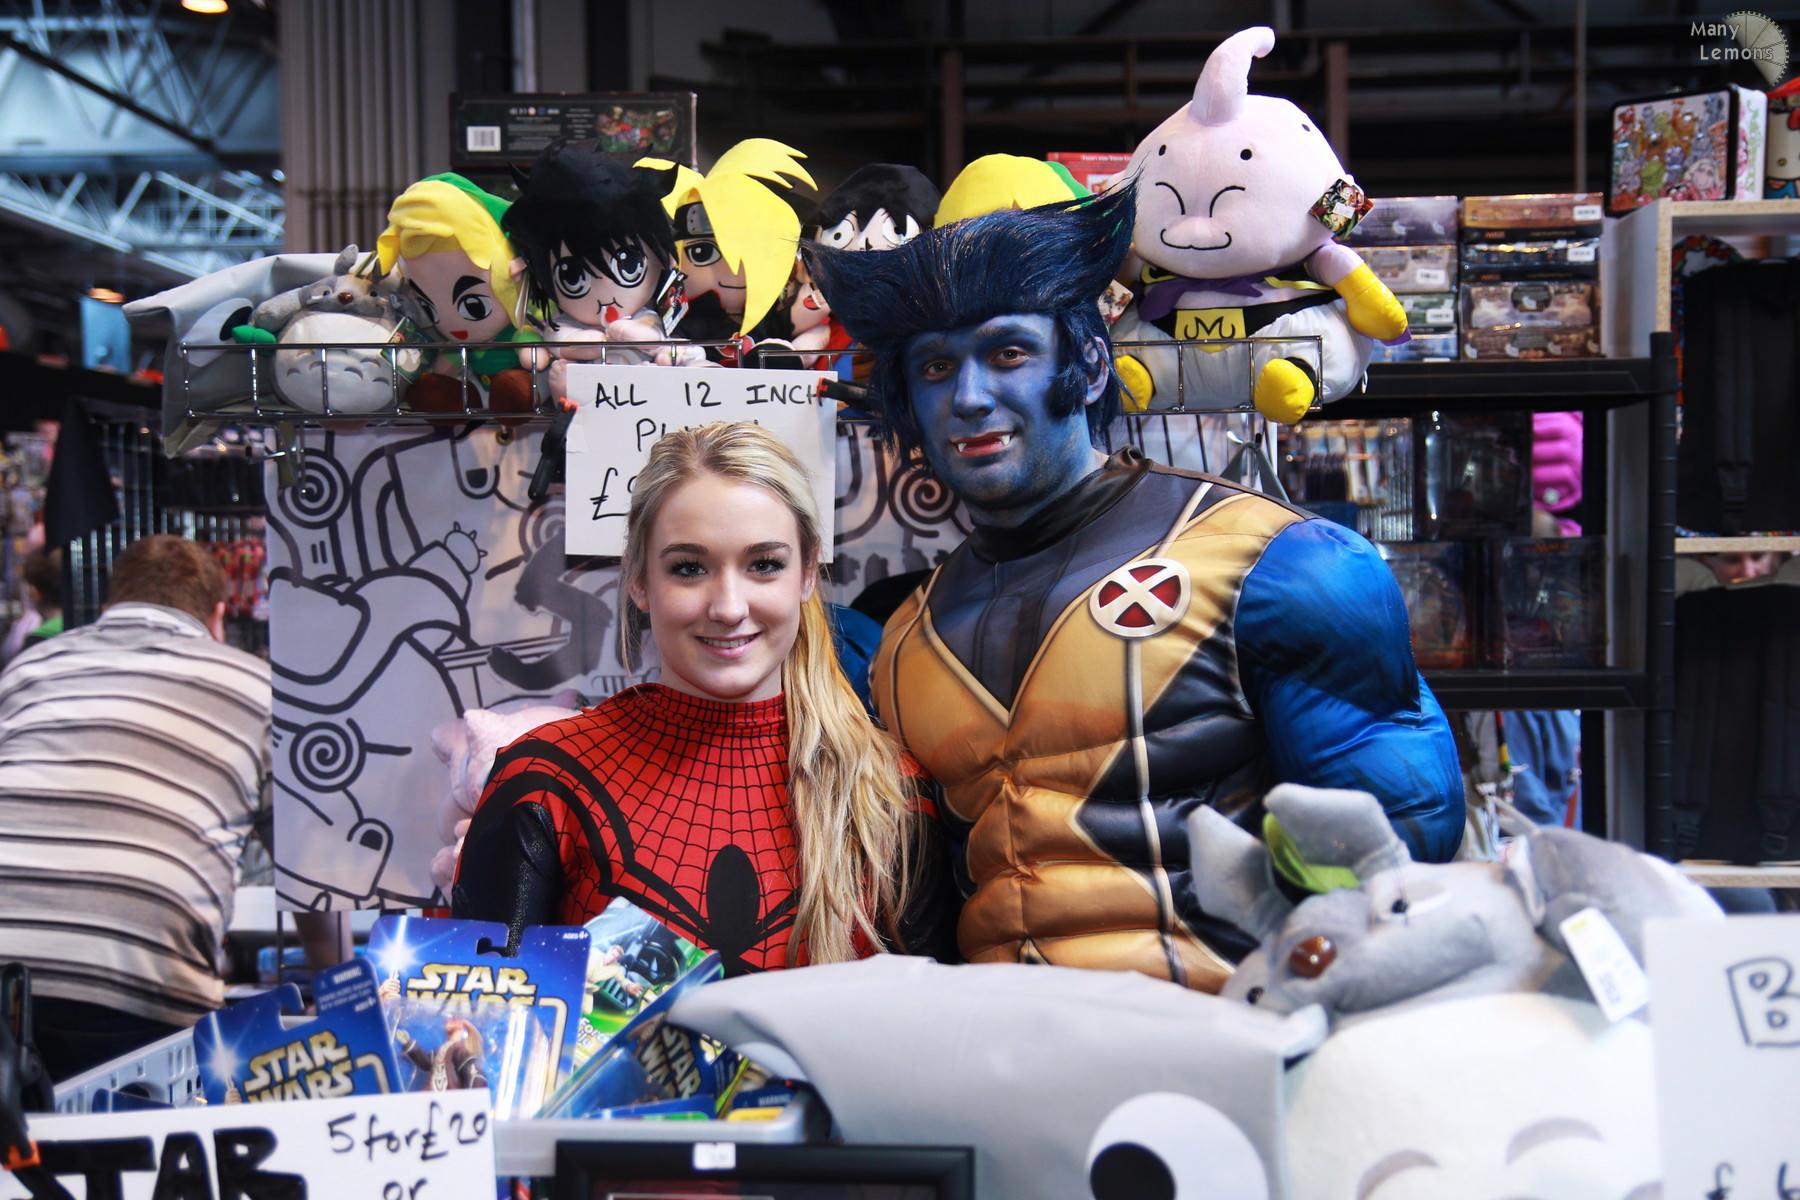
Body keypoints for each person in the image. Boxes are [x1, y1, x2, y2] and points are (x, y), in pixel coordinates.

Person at [807, 184, 1465, 992]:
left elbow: (1396, 856)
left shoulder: (1274, 563)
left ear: (1089, 366)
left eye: (1008, 353)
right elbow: (933, 910)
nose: (970, 397)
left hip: (1228, 1033)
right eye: (937, 367)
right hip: (998, 1048)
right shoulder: (907, 641)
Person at [454, 422, 954, 974]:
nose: (729, 607)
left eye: (764, 565)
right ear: (639, 581)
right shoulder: (545, 780)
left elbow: (927, 1018)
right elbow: (478, 1018)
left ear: (808, 573)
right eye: (689, 569)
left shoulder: (889, 791)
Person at [0, 534, 271, 1080]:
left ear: (108, 605)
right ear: (217, 616)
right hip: (141, 972)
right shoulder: (257, 686)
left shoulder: (29, 669)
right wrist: (338, 984)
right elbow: (306, 872)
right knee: (139, 1125)